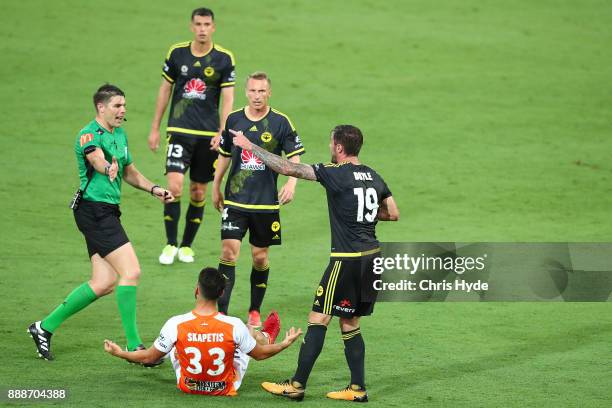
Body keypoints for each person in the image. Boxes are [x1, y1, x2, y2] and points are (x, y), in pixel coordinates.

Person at [231, 124, 399, 401]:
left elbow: (288, 168)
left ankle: (296, 385)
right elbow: (392, 213)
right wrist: (363, 214)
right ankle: (357, 389)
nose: (330, 148)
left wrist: (251, 147)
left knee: (318, 318)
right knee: (350, 322)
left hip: (347, 260)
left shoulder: (335, 173)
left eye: (332, 144)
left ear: (340, 148)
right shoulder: (373, 175)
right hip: (372, 259)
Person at [28, 84, 175, 361]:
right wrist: (108, 167)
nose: (123, 111)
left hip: (106, 211)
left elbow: (130, 172)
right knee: (131, 271)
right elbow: (96, 159)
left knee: (103, 282)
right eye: (117, 106)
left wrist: (154, 189)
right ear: (101, 107)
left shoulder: (119, 134)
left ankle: (43, 327)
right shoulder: (88, 135)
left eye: (124, 106)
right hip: (94, 211)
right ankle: (135, 347)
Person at [104, 267, 303, 396]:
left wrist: (120, 352)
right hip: (226, 387)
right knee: (248, 332)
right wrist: (284, 344)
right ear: (222, 294)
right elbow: (259, 356)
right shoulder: (233, 325)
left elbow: (148, 357)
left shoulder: (176, 323)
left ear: (196, 290)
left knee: (174, 346)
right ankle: (267, 336)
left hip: (187, 385)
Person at [212, 71, 305, 326]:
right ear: (246, 92)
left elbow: (294, 155)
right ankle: (222, 314)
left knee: (259, 257)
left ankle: (254, 309)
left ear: (269, 93)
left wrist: (292, 182)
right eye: (252, 90)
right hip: (235, 201)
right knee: (229, 252)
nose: (257, 96)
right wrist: (216, 185)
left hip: (265, 203)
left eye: (261, 91)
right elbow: (224, 154)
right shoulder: (234, 119)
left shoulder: (280, 122)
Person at [148, 7, 236, 265]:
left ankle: (186, 245)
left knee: (198, 191)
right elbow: (165, 90)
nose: (202, 29)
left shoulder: (223, 58)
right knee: (174, 187)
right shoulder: (177, 54)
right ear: (191, 26)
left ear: (213, 27)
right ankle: (169, 243)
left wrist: (222, 132)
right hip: (179, 131)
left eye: (206, 24)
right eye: (198, 24)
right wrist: (155, 127)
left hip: (207, 135)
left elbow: (228, 97)